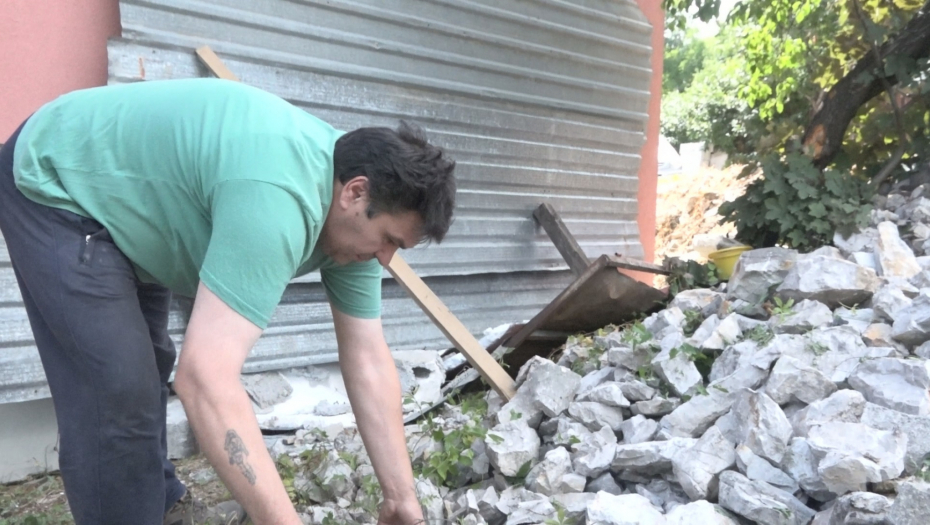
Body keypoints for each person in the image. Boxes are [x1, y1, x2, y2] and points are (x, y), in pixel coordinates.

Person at [0, 78, 456, 525]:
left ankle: (159, 503)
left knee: (149, 362)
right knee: (118, 389)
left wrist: (401, 497)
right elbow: (205, 380)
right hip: (58, 176)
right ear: (355, 193)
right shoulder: (278, 200)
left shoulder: (354, 214)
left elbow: (368, 358)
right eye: (388, 240)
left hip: (136, 195)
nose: (385, 259)